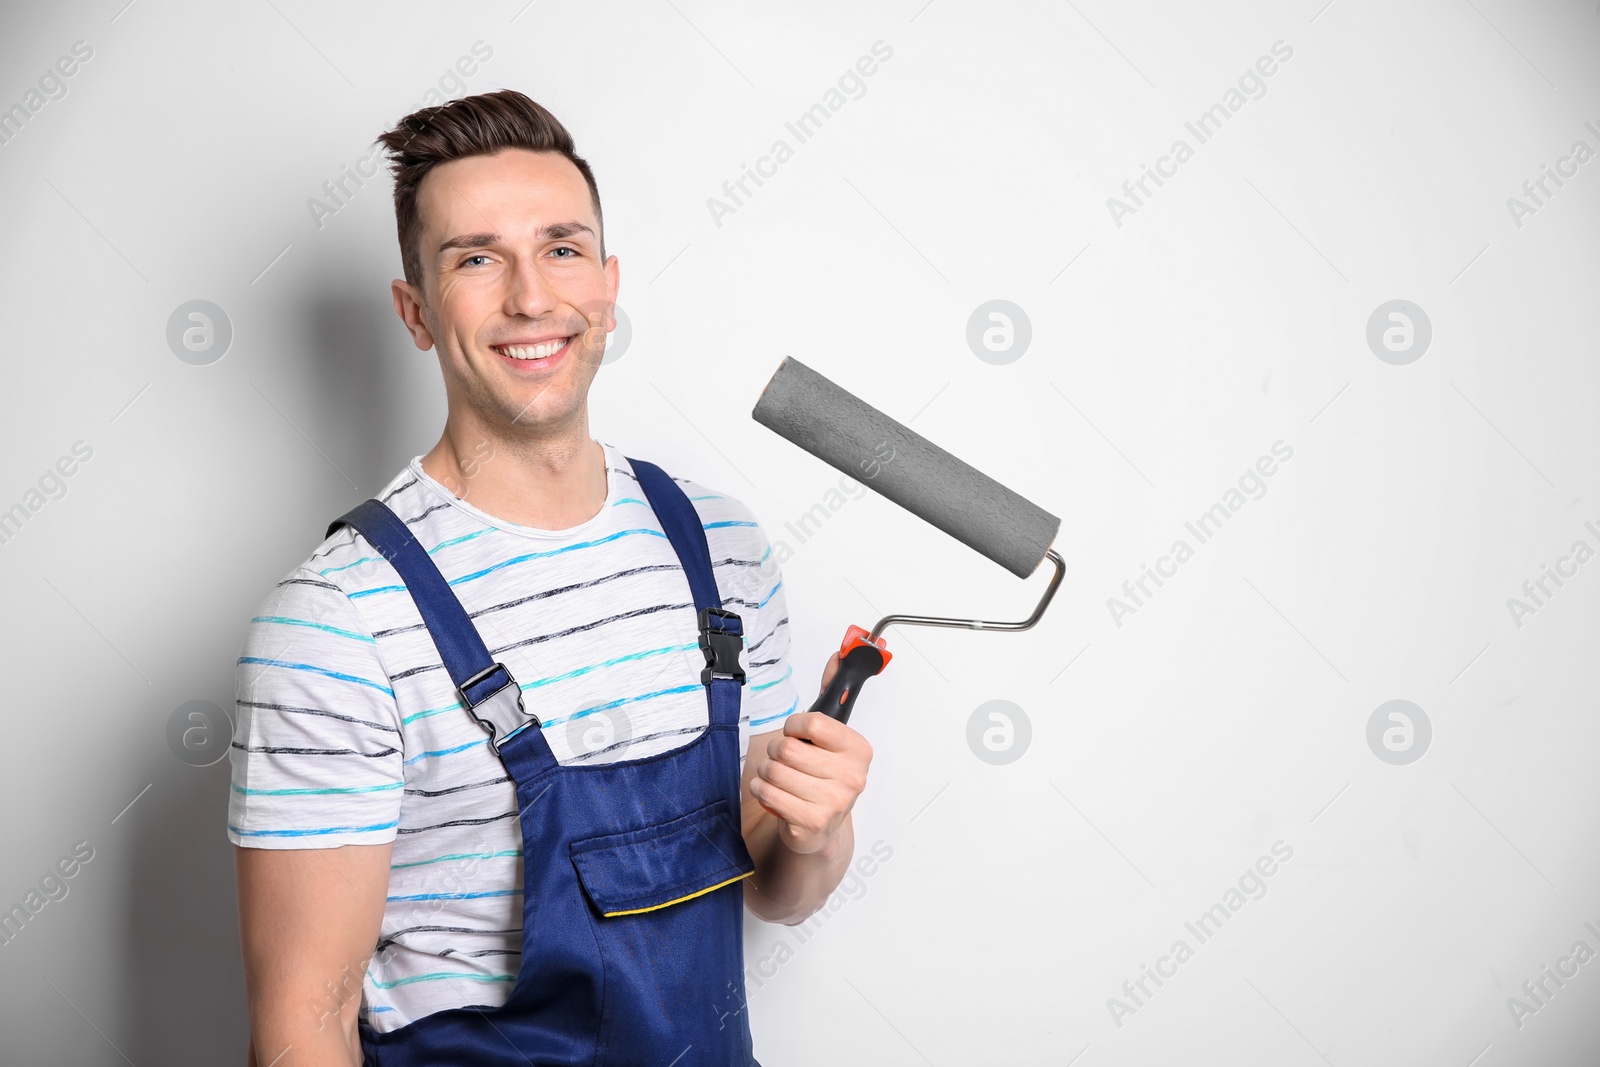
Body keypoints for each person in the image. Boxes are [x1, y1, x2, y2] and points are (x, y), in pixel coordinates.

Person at [229, 88, 874, 1067]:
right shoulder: (336, 621)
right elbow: (301, 1026)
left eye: (561, 248)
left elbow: (775, 889)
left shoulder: (720, 544)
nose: (531, 297)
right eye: (476, 259)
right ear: (414, 309)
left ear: (607, 286)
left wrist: (817, 825)